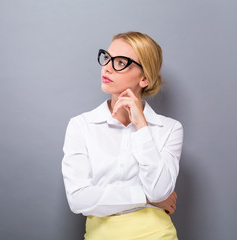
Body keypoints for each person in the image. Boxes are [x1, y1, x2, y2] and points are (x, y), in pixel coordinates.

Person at [61, 31, 183, 240]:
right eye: (107, 58)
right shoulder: (81, 125)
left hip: (158, 234)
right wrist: (146, 198)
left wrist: (142, 126)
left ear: (144, 78)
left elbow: (161, 191)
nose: (107, 67)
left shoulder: (169, 128)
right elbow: (78, 199)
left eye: (121, 62)